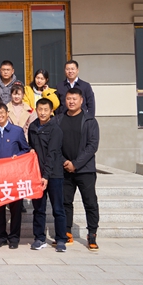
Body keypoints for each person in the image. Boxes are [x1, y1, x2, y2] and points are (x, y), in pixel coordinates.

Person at [55, 87, 100, 251]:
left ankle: (92, 234)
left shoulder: (90, 121)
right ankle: (66, 232)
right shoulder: (58, 120)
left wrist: (76, 164)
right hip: (64, 169)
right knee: (65, 202)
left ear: (81, 101)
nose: (71, 102)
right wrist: (65, 162)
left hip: (85, 170)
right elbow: (54, 145)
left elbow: (92, 146)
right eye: (69, 99)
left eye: (74, 99)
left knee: (90, 202)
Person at [0, 103, 29, 250]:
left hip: (14, 177)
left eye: (2, 112)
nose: (0, 115)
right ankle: (1, 237)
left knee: (15, 209)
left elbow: (26, 149)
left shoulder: (17, 131)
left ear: (7, 113)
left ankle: (14, 238)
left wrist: (18, 156)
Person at [27, 98, 68, 253]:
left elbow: (52, 153)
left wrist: (46, 176)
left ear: (51, 111)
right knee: (38, 209)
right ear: (36, 110)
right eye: (40, 109)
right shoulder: (32, 127)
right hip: (37, 174)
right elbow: (32, 148)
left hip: (54, 174)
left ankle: (61, 239)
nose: (43, 113)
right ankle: (39, 238)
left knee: (58, 208)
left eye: (46, 110)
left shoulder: (55, 129)